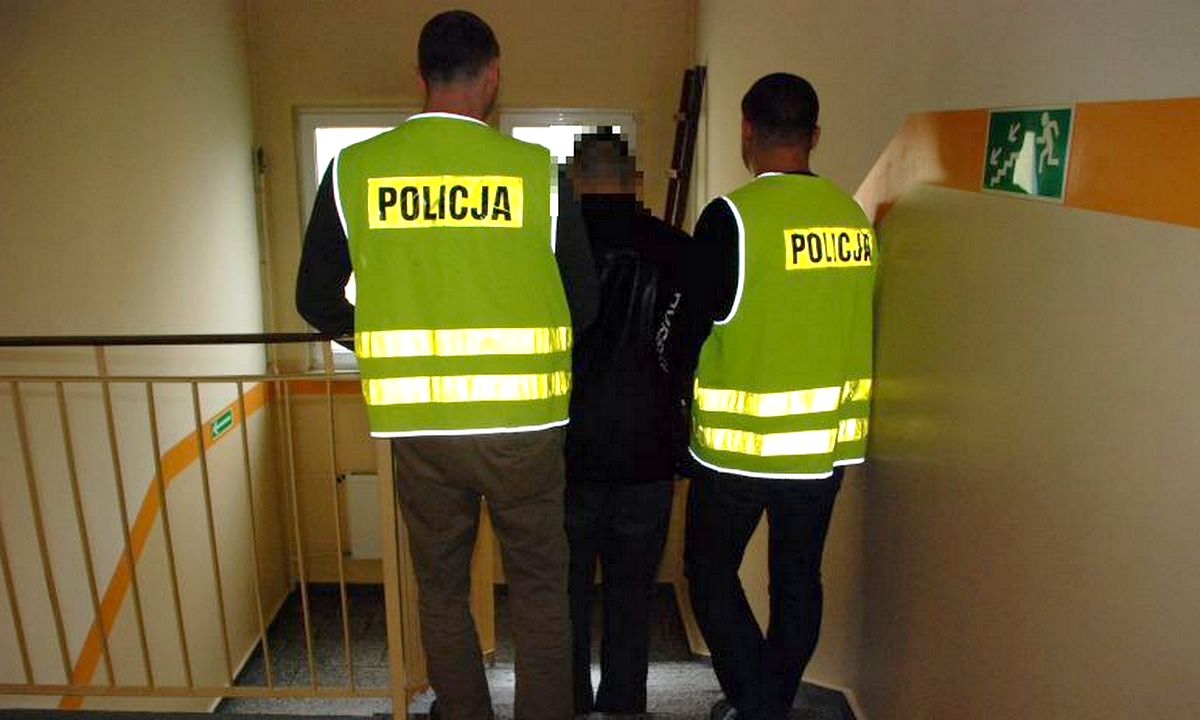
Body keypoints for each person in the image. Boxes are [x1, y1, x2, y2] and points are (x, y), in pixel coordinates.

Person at [294, 11, 597, 720]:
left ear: (421, 76)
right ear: (492, 75)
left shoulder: (356, 169)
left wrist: (381, 340)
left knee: (440, 589)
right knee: (540, 590)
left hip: (420, 427)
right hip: (524, 427)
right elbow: (583, 303)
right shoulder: (536, 172)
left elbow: (314, 297)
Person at [684, 73, 877, 720]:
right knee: (798, 583)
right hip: (821, 450)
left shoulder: (732, 219)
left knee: (710, 575)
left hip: (736, 454)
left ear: (746, 130)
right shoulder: (852, 219)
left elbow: (688, 330)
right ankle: (767, 703)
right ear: (814, 136)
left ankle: (757, 705)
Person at [562, 129, 699, 715]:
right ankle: (623, 702)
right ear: (635, 181)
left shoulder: (550, 249)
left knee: (563, 594)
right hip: (649, 449)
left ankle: (568, 699)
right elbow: (689, 350)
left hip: (567, 452)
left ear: (572, 182)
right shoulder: (677, 249)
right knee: (633, 592)